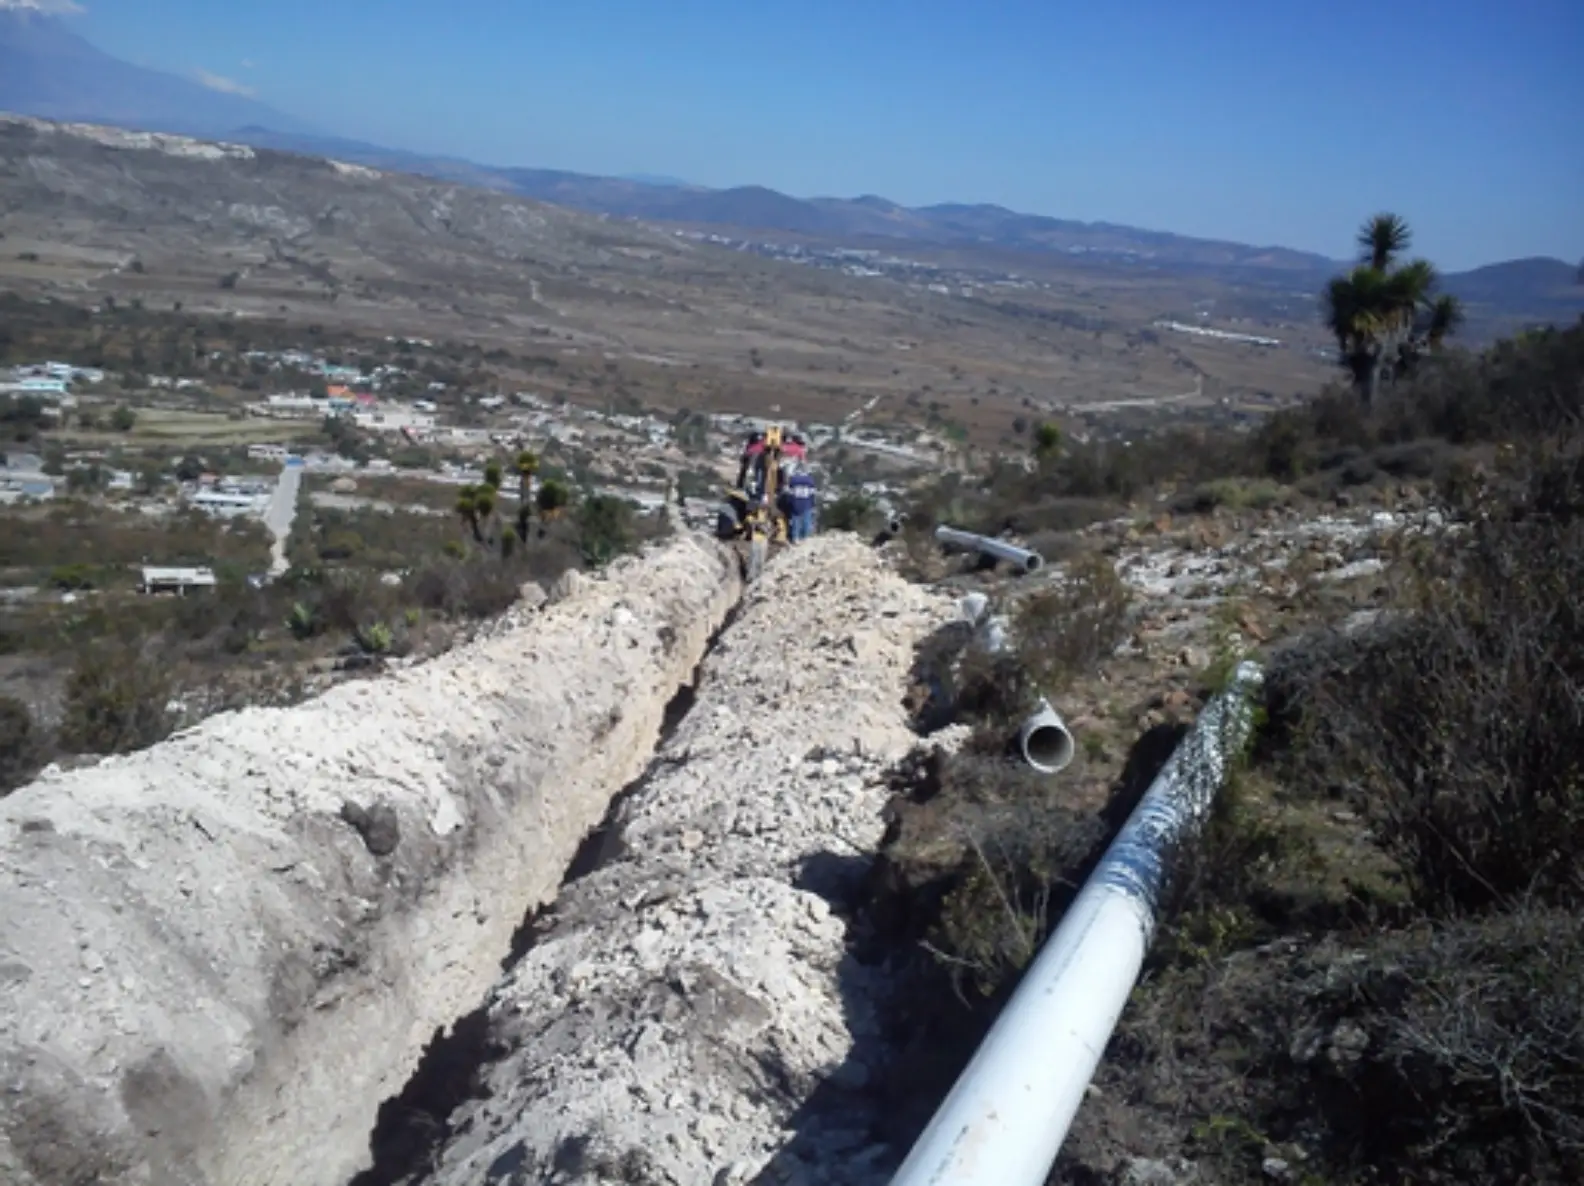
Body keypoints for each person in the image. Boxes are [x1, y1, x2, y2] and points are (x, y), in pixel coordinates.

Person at [786, 464, 817, 543]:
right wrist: (813, 504)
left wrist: (790, 503)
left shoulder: (793, 481)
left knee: (796, 521)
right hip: (806, 503)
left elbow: (790, 494)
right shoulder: (810, 481)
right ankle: (805, 536)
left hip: (795, 503)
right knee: (806, 521)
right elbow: (812, 494)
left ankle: (795, 537)